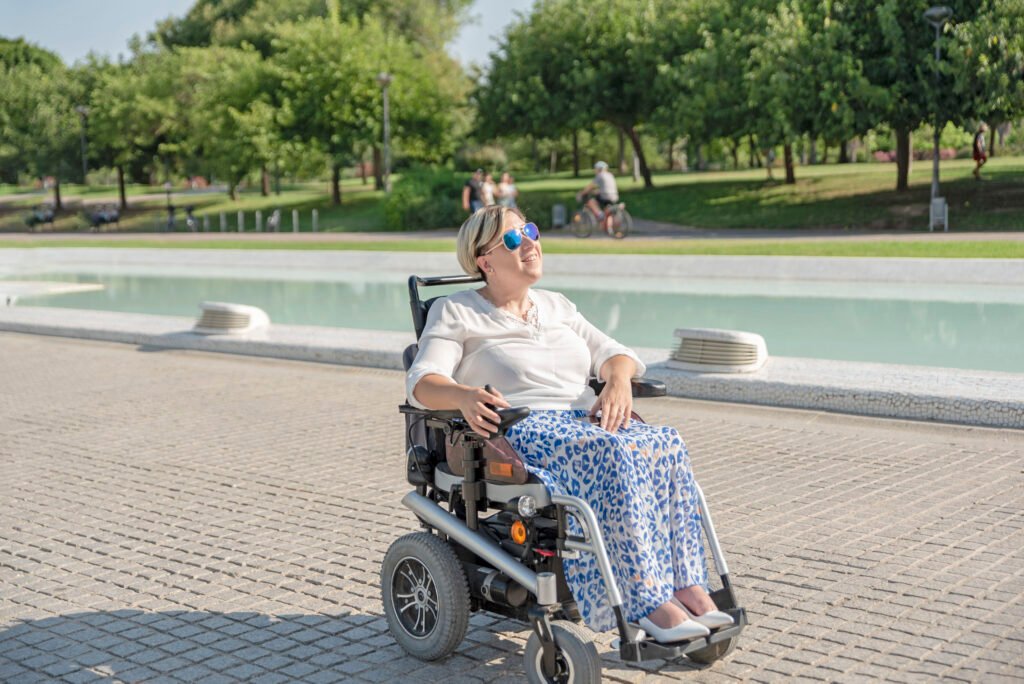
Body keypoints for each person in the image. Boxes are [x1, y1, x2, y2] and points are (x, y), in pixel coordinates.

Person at [406, 205, 733, 644]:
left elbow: (615, 353)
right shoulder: (456, 311)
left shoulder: (556, 306)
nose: (531, 244)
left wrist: (618, 382)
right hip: (521, 429)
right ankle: (645, 604)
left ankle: (686, 584)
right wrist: (463, 396)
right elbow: (423, 383)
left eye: (532, 232)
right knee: (613, 452)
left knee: (665, 442)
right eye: (513, 239)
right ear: (484, 260)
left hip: (583, 421)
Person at [576, 161, 620, 236]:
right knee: (607, 210)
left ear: (599, 169)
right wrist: (596, 192)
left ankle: (600, 214)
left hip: (605, 196)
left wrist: (581, 193)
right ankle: (609, 229)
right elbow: (606, 187)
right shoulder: (610, 175)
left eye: (595, 169)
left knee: (590, 201)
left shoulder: (600, 175)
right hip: (614, 196)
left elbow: (590, 187)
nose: (595, 171)